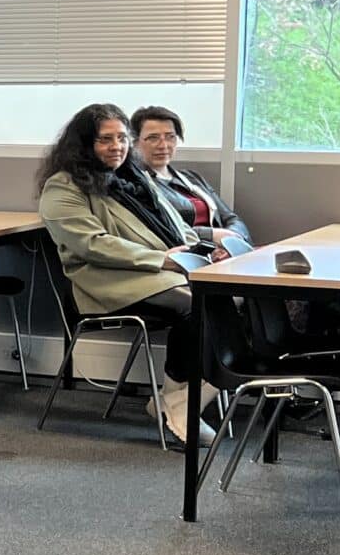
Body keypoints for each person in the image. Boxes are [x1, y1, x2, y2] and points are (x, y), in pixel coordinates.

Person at [36, 103, 214, 447]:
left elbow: (174, 226)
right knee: (196, 307)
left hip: (160, 272)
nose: (116, 146)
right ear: (84, 144)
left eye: (121, 138)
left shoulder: (133, 177)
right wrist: (162, 261)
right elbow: (92, 244)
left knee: (235, 301)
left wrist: (198, 251)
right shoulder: (63, 187)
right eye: (105, 139)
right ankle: (178, 403)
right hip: (106, 282)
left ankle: (178, 399)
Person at [130, 105, 252, 254]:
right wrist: (211, 235)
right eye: (153, 138)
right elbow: (158, 229)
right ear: (135, 142)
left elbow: (231, 218)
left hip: (223, 249)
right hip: (189, 254)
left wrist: (232, 240)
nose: (163, 145)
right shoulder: (135, 185)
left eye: (170, 137)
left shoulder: (191, 178)